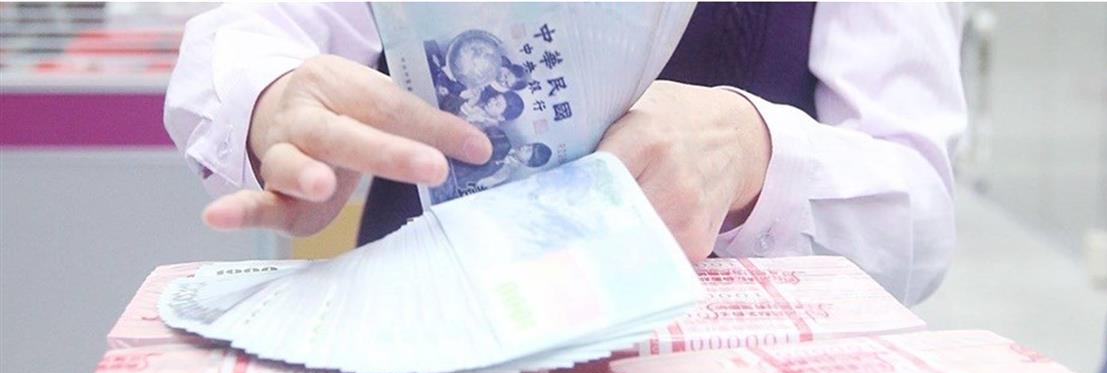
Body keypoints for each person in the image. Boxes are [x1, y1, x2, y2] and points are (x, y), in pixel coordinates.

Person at [165, 3, 967, 305]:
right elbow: (245, 32)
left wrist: (753, 150)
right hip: (436, 372)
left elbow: (919, 210)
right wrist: (273, 98)